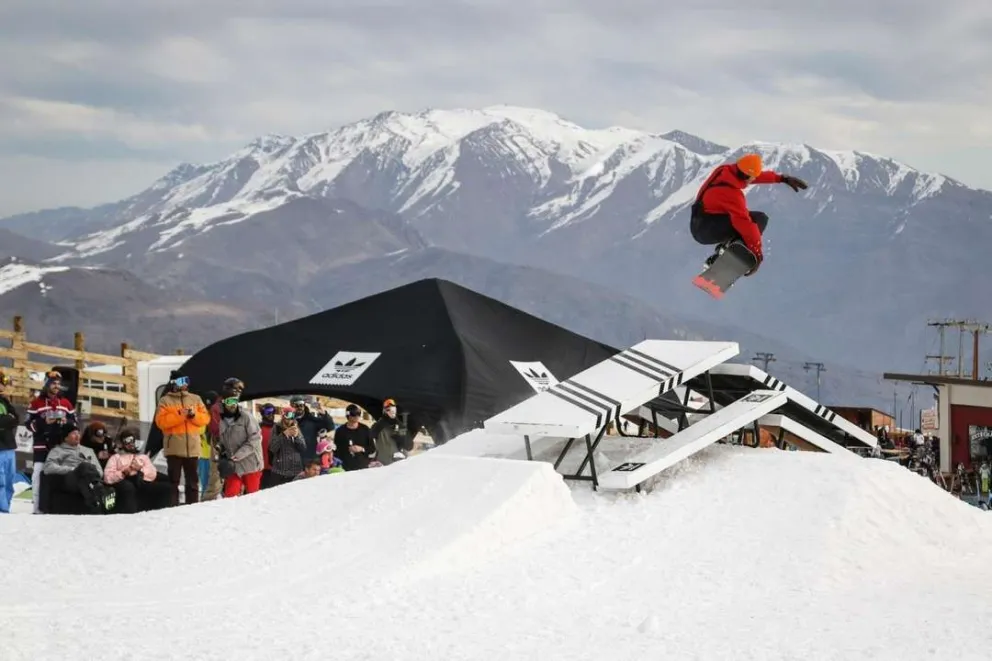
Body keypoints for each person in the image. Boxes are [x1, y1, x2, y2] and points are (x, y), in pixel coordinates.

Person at [690, 153, 807, 272]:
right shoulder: (732, 194)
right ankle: (732, 253)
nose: (754, 179)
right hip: (706, 230)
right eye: (752, 177)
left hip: (700, 222)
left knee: (755, 219)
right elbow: (745, 224)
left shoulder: (726, 172)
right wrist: (756, 254)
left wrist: (781, 178)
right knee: (757, 221)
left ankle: (720, 255)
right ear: (745, 176)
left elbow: (753, 176)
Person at [154, 371, 211, 506]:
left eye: (186, 380)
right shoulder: (165, 401)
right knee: (173, 481)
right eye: (181, 381)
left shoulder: (196, 399)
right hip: (173, 448)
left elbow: (205, 419)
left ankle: (193, 506)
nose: (185, 384)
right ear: (174, 383)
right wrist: (181, 414)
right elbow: (161, 422)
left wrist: (193, 415)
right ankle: (172, 506)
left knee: (193, 480)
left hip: (192, 447)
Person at [217, 394, 264, 497]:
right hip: (233, 466)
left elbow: (256, 438)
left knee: (252, 496)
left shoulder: (246, 417)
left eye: (235, 401)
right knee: (231, 494)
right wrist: (220, 447)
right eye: (230, 401)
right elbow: (223, 441)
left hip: (250, 464)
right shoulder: (222, 421)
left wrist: (238, 455)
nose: (233, 404)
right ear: (224, 403)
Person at [333, 404, 375, 471]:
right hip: (345, 469)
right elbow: (336, 451)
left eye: (358, 413)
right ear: (348, 415)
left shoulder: (365, 429)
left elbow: (372, 449)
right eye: (354, 414)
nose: (357, 416)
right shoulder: (340, 431)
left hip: (363, 468)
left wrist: (361, 449)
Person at [0, 370, 18, 513]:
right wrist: (8, 420)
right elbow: (7, 420)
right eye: (2, 382)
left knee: (9, 481)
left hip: (9, 447)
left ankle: (6, 507)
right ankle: (2, 509)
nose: (3, 386)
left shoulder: (4, 401)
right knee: (1, 481)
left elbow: (16, 419)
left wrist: (7, 420)